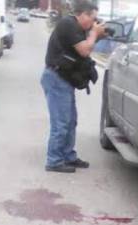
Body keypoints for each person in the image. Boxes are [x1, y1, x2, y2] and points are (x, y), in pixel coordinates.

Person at [41, 1, 106, 173]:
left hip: (64, 79)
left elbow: (84, 49)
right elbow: (84, 50)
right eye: (92, 18)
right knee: (61, 122)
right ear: (82, 14)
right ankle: (54, 160)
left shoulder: (77, 28)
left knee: (70, 121)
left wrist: (96, 35)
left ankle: (68, 156)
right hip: (56, 78)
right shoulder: (68, 24)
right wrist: (94, 33)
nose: (93, 23)